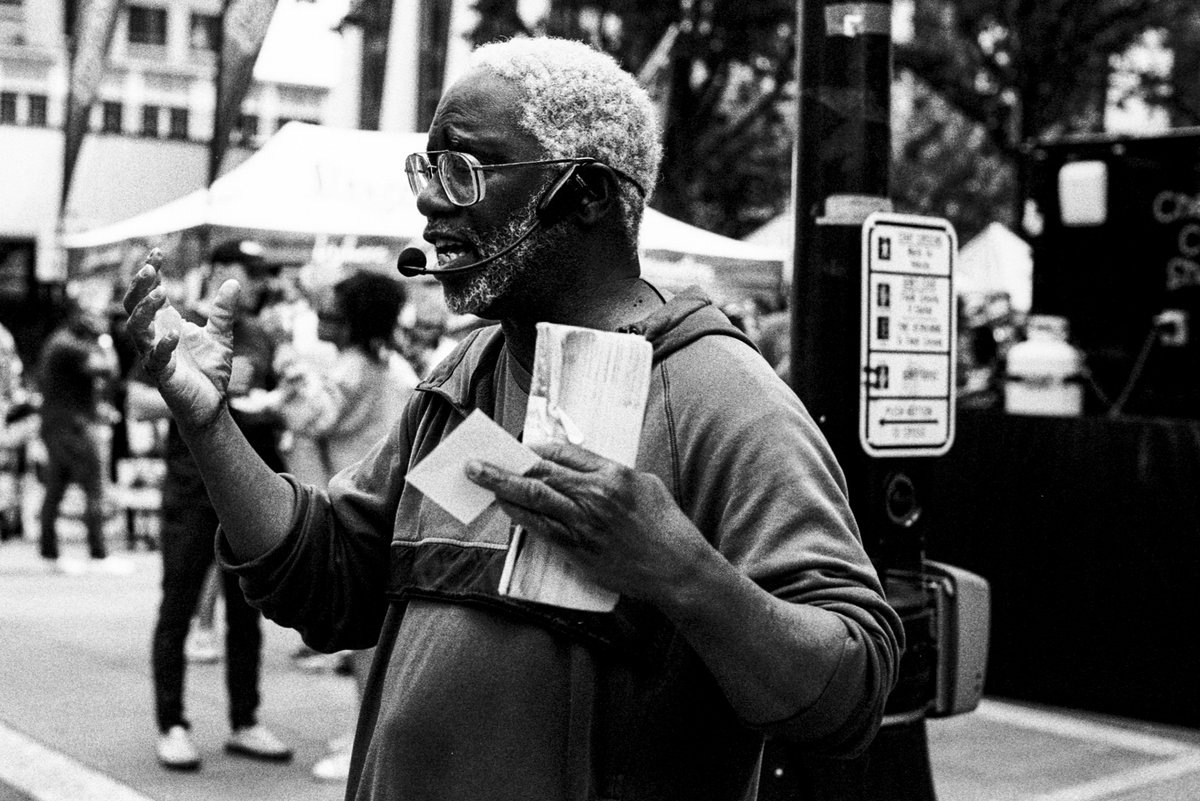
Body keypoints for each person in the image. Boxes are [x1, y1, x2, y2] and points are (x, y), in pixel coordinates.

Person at [123, 37, 903, 801]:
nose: (430, 196)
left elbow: (850, 691)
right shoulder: (466, 377)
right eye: (427, 167)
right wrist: (209, 422)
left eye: (464, 167)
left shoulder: (725, 401)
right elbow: (328, 580)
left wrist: (681, 569)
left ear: (588, 193)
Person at [128, 238, 294, 771]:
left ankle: (244, 720)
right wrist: (191, 389)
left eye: (258, 273)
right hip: (189, 490)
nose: (255, 282)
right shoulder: (180, 326)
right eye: (245, 271)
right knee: (177, 607)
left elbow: (277, 408)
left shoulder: (265, 336)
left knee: (247, 615)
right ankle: (171, 724)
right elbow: (137, 401)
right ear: (220, 271)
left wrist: (283, 399)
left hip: (244, 491)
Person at [275, 271, 417, 782]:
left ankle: (366, 736)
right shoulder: (388, 364)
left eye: (333, 312)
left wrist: (291, 377)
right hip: (388, 508)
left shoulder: (353, 369)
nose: (322, 319)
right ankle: (367, 729)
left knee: (369, 643)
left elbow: (308, 418)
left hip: (366, 515)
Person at [35, 302, 122, 573]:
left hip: (57, 424)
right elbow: (109, 369)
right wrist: (106, 341)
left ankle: (50, 554)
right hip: (72, 427)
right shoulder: (70, 346)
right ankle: (99, 555)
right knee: (94, 487)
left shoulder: (60, 342)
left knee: (56, 488)